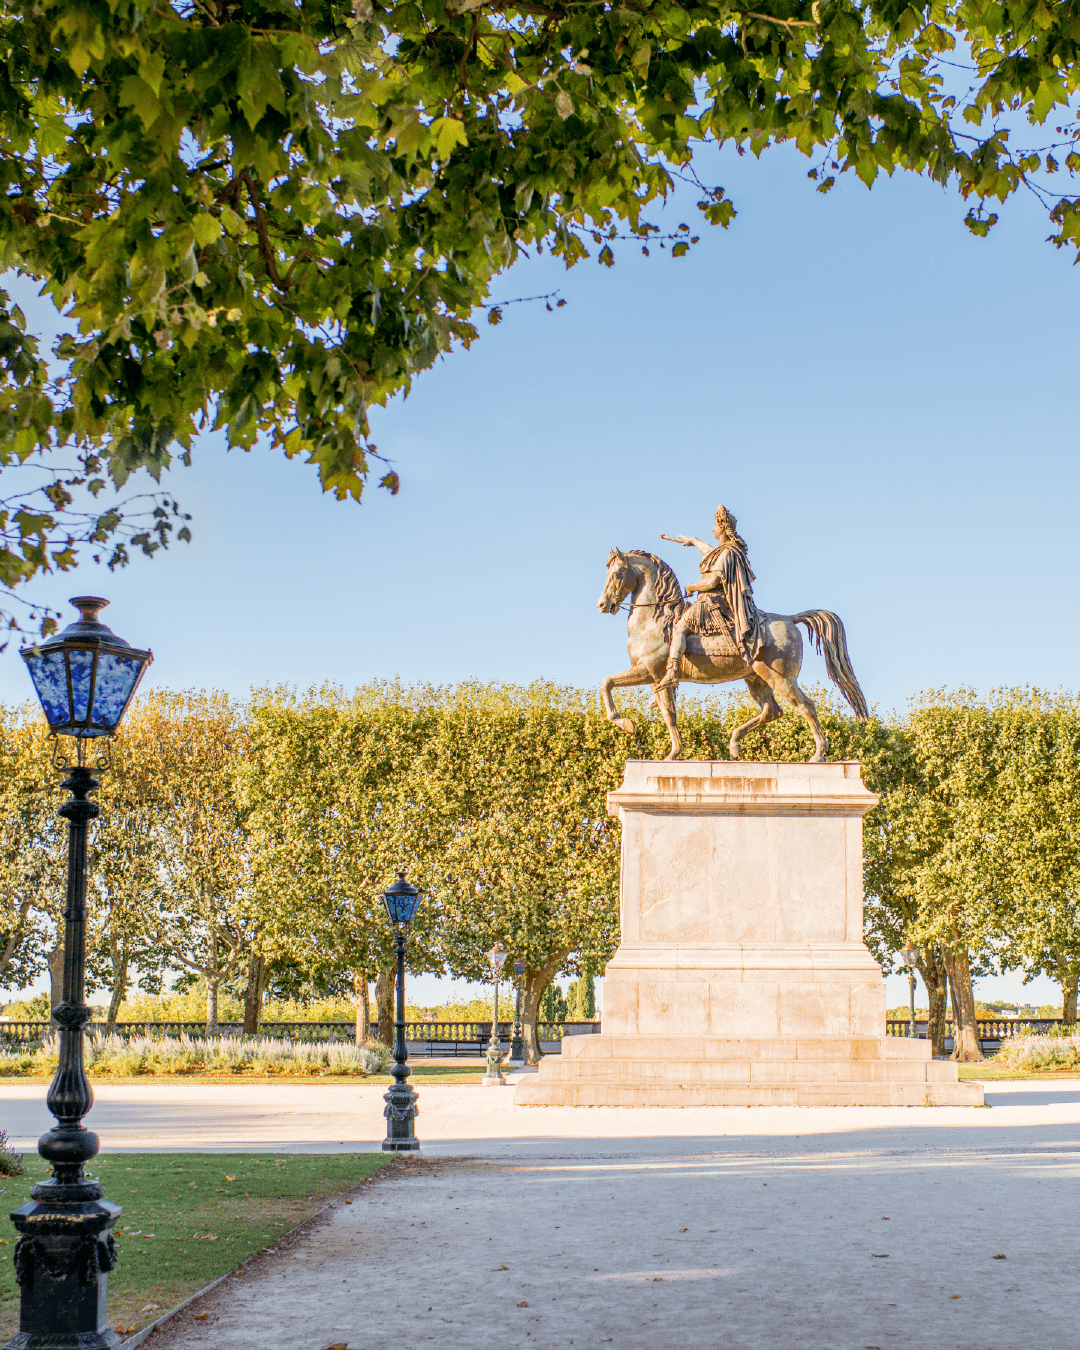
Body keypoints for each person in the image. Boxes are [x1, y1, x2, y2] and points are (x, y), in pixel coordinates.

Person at [657, 505, 765, 689]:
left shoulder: (727, 552)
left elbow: (711, 582)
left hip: (712, 603)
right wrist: (693, 541)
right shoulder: (726, 550)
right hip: (713, 601)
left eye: (714, 526)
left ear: (722, 527)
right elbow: (708, 551)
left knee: (680, 627)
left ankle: (672, 672)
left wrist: (691, 586)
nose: (712, 529)